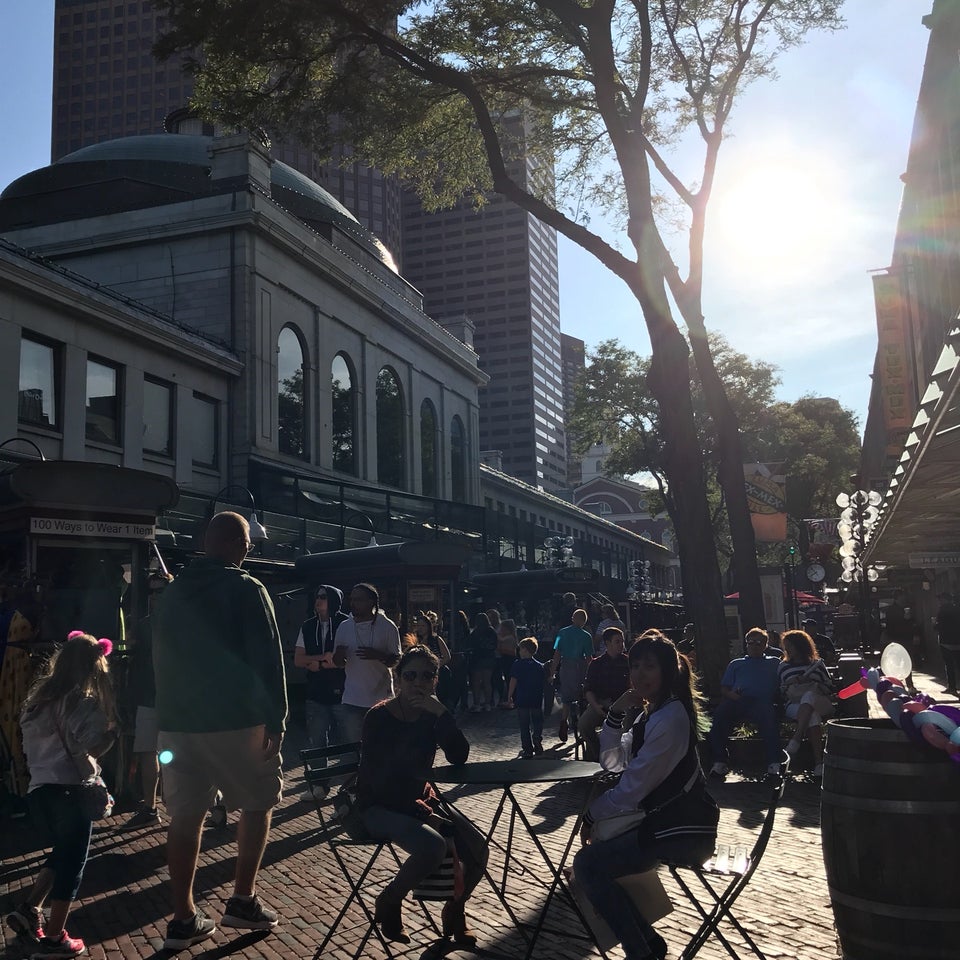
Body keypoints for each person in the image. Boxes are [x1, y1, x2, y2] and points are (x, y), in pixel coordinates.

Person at [153, 511, 288, 949]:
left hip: (179, 723)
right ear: (233, 542)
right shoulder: (247, 588)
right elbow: (268, 657)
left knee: (185, 817)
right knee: (258, 801)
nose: (250, 550)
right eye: (247, 542)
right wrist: (278, 717)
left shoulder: (173, 593)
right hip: (236, 720)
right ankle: (243, 900)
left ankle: (183, 917)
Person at [573, 630, 719, 960]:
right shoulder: (652, 711)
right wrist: (614, 715)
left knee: (588, 864)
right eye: (635, 665)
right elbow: (613, 762)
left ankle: (640, 950)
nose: (639, 674)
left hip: (679, 831)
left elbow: (632, 787)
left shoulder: (669, 717)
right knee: (597, 859)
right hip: (661, 823)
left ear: (667, 672)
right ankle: (646, 942)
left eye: (649, 667)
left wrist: (592, 814)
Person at [356, 645, 489, 945]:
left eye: (426, 676)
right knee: (433, 845)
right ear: (398, 678)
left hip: (420, 799)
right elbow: (379, 781)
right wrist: (425, 814)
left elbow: (459, 756)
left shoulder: (431, 716)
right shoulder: (378, 717)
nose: (418, 682)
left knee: (479, 850)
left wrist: (442, 714)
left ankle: (455, 911)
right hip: (377, 805)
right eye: (410, 675)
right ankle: (390, 900)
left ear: (435, 681)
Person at [7, 631, 118, 958]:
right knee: (73, 863)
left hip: (39, 791)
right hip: (71, 792)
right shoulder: (80, 702)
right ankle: (55, 938)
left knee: (62, 853)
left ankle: (30, 907)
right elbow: (92, 745)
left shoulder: (36, 702)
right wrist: (110, 737)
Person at [121, 572, 171, 830]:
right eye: (151, 591)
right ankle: (150, 807)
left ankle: (209, 801)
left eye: (160, 590)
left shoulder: (181, 625)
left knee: (186, 754)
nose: (154, 596)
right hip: (150, 698)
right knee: (147, 753)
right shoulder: (142, 625)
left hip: (176, 701)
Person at [294, 585, 349, 800]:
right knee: (316, 739)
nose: (318, 601)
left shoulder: (345, 623)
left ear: (334, 600)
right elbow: (299, 659)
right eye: (317, 597)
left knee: (348, 740)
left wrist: (329, 661)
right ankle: (319, 785)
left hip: (344, 692)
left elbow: (345, 658)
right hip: (316, 692)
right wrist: (322, 659)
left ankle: (349, 786)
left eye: (324, 597)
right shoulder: (308, 626)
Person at [707, 627, 781, 778]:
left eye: (759, 643)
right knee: (719, 716)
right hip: (738, 700)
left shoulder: (774, 663)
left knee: (769, 719)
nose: (754, 646)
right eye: (751, 642)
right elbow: (724, 688)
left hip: (762, 702)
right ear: (746, 644)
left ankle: (773, 763)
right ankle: (719, 761)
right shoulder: (736, 664)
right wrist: (731, 695)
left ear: (765, 645)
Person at [332, 582, 402, 744]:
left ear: (371, 602)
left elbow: (397, 660)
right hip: (351, 699)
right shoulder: (344, 627)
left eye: (358, 600)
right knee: (354, 748)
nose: (353, 604)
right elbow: (338, 664)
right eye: (352, 600)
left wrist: (379, 655)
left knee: (382, 745)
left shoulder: (387, 626)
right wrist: (339, 657)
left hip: (381, 699)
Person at [780, 629, 835, 778]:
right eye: (786, 646)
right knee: (812, 716)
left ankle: (796, 738)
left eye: (790, 645)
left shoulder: (817, 664)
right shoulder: (783, 666)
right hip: (794, 704)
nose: (787, 649)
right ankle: (819, 763)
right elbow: (781, 691)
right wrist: (792, 682)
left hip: (819, 701)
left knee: (809, 696)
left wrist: (813, 681)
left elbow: (829, 688)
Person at [578, 627, 631, 762]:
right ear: (607, 644)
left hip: (623, 704)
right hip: (601, 703)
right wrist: (596, 706)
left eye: (622, 641)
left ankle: (620, 759)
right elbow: (588, 688)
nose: (621, 645)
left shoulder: (628, 663)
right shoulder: (596, 664)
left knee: (626, 727)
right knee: (584, 724)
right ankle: (598, 754)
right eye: (617, 642)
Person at [550, 608, 594, 742]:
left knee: (566, 697)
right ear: (584, 622)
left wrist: (552, 671)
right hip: (580, 667)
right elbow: (589, 657)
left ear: (572, 618)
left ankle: (564, 721)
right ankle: (582, 723)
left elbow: (557, 653)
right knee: (583, 695)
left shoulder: (562, 633)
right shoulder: (586, 636)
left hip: (566, 666)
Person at [506, 637, 546, 757]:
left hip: (522, 698)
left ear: (525, 650)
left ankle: (527, 749)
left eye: (520, 649)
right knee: (537, 721)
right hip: (536, 698)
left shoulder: (517, 665)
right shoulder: (539, 666)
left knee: (524, 725)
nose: (519, 651)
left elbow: (513, 681)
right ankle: (537, 737)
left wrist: (509, 696)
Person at [414, 611, 453, 707]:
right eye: (418, 626)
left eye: (423, 626)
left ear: (428, 626)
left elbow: (447, 656)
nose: (420, 628)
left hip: (438, 673)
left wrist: (436, 666)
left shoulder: (436, 639)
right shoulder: (416, 641)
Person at [467, 612, 498, 712]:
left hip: (477, 659)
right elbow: (495, 645)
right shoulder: (491, 631)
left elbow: (470, 644)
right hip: (489, 658)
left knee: (476, 682)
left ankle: (477, 704)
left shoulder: (475, 632)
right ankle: (488, 703)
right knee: (487, 682)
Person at [935, 592, 960, 695]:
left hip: (946, 642)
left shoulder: (942, 611)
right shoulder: (957, 609)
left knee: (949, 665)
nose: (939, 602)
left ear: (945, 600)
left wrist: (934, 625)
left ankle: (952, 687)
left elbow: (939, 626)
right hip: (958, 641)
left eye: (940, 599)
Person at [494, 618, 519, 706]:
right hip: (506, 659)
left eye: (503, 629)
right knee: (508, 679)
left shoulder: (510, 637)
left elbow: (501, 640)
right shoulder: (510, 637)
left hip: (509, 659)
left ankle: (512, 698)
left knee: (509, 679)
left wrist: (496, 634)